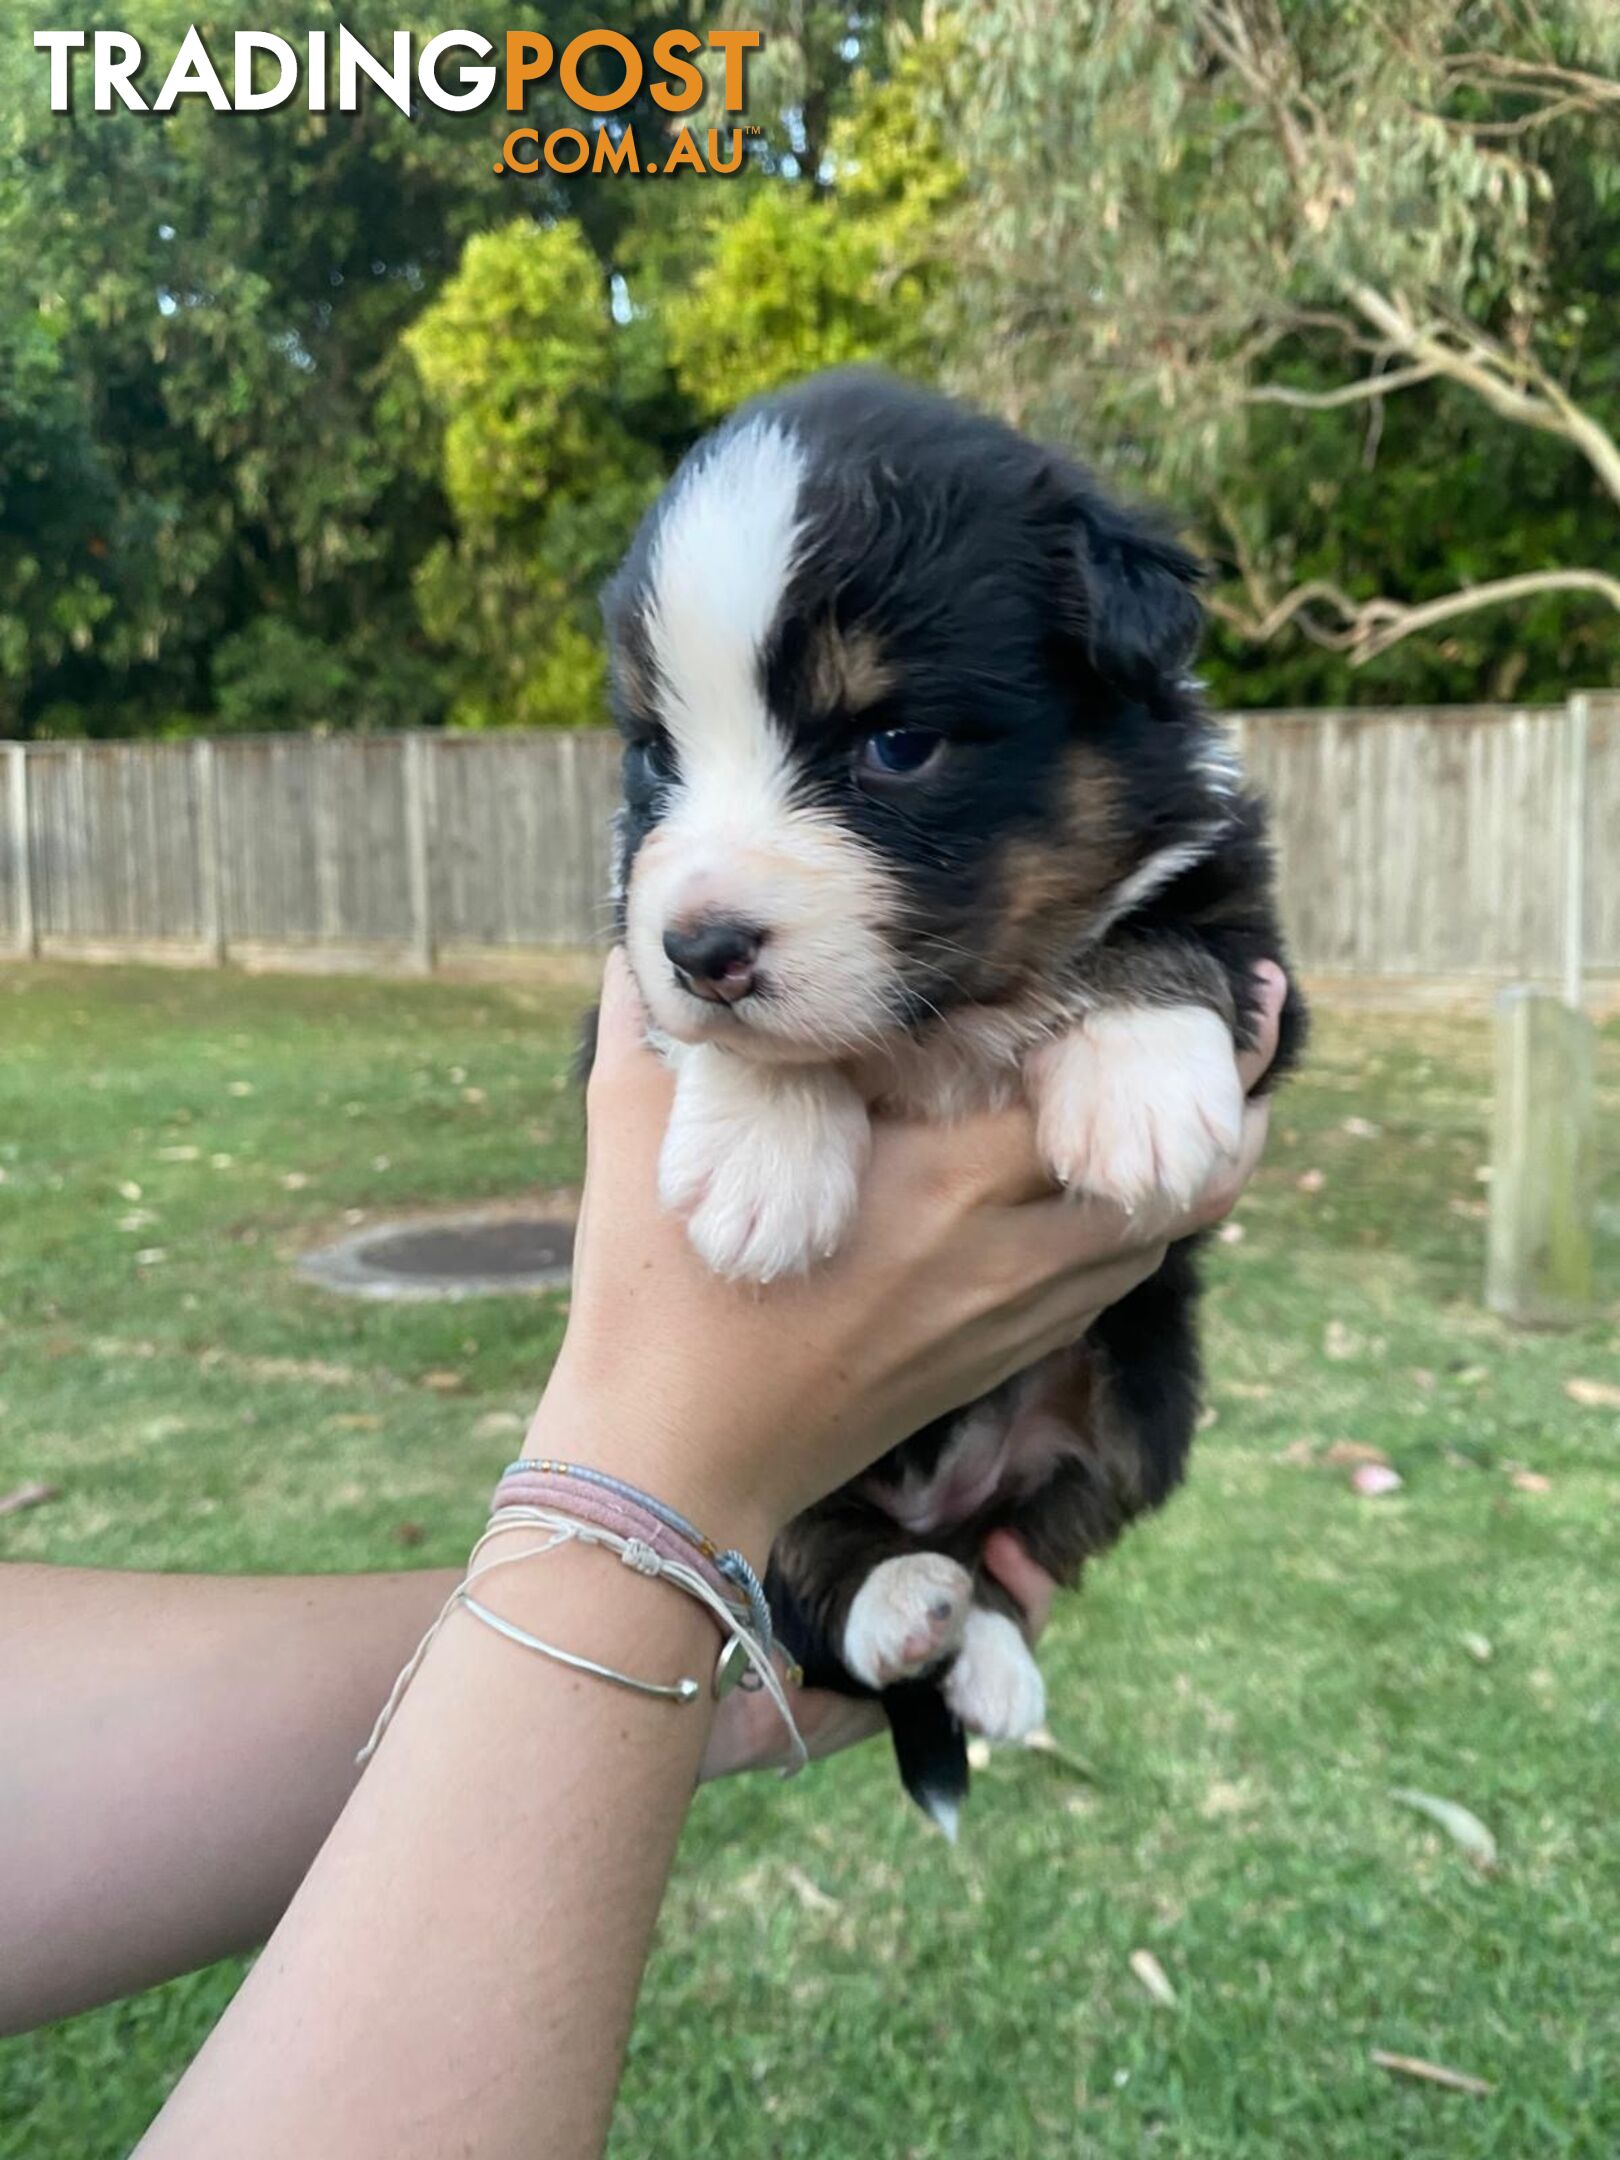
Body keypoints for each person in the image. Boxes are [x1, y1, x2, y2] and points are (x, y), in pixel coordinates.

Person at [1, 954, 1286, 2158]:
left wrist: (1158, 1003)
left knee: (1134, 1426)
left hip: (1023, 1433)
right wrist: (662, 1490)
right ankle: (850, 1589)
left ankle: (951, 1613)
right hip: (840, 1482)